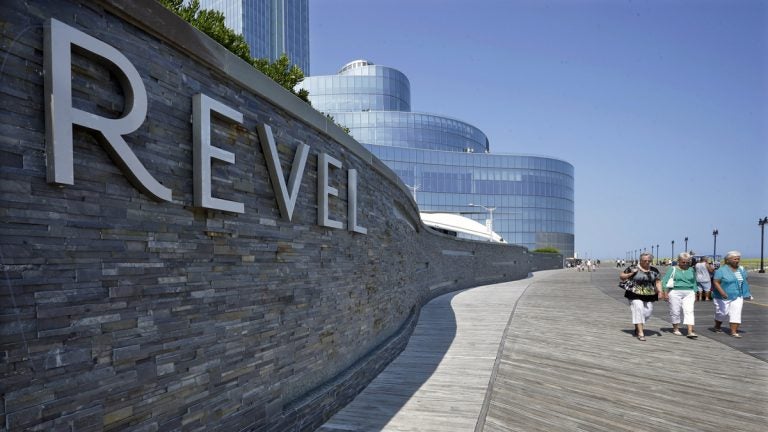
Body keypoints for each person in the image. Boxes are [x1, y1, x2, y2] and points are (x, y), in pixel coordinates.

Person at [619, 252, 663, 341]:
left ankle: (638, 326)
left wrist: (660, 291)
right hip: (634, 292)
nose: (647, 262)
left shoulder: (654, 270)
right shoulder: (633, 267)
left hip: (649, 293)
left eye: (648, 260)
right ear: (640, 260)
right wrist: (630, 274)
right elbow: (622, 276)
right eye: (644, 260)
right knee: (638, 308)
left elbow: (658, 281)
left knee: (648, 312)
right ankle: (640, 332)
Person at [712, 251, 753, 338]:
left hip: (738, 295)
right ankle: (717, 326)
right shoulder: (721, 270)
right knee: (722, 313)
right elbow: (716, 282)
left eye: (738, 259)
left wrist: (747, 292)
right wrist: (722, 292)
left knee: (736, 313)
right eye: (735, 259)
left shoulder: (741, 269)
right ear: (728, 260)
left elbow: (744, 281)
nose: (737, 261)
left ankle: (733, 332)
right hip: (722, 296)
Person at [661, 252, 699, 338]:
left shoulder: (691, 269)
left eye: (687, 262)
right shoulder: (673, 269)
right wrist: (665, 292)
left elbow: (694, 282)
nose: (685, 264)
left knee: (689, 311)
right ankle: (676, 328)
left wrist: (695, 292)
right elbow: (665, 281)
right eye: (683, 262)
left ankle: (690, 331)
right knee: (675, 311)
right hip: (675, 291)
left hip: (689, 292)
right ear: (679, 261)